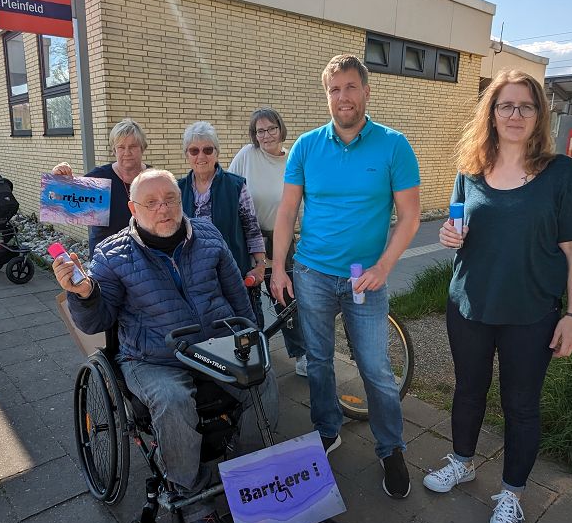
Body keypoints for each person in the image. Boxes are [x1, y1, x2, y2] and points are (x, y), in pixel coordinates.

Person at [54, 169, 278, 523]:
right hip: (154, 357)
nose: (163, 209)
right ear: (132, 209)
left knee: (263, 379)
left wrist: (252, 339)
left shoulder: (207, 234)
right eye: (151, 203)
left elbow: (236, 297)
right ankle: (194, 505)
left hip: (215, 345)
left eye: (170, 199)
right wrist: (84, 294)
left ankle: (255, 479)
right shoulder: (111, 254)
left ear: (181, 199)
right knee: (173, 400)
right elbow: (96, 321)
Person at [423, 69, 572, 523]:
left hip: (532, 313)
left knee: (521, 406)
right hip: (470, 306)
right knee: (468, 391)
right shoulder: (469, 170)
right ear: (491, 114)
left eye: (526, 106)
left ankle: (512, 493)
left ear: (539, 115)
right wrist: (449, 237)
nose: (515, 115)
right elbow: (457, 231)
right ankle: (462, 462)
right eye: (505, 106)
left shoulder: (560, 173)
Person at [270, 54, 421, 498]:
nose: (343, 97)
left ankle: (391, 448)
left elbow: (409, 217)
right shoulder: (306, 146)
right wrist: (279, 267)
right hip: (313, 272)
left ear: (366, 91)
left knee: (374, 367)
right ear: (327, 96)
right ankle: (326, 429)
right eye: (334, 90)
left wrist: (383, 267)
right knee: (318, 360)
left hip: (363, 278)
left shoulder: (394, 145)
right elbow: (287, 211)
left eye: (350, 87)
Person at [227, 108, 309, 377]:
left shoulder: (293, 160)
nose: (266, 135)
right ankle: (255, 353)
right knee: (249, 299)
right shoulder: (246, 156)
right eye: (260, 130)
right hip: (249, 240)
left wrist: (307, 237)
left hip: (281, 239)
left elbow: (303, 205)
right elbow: (229, 190)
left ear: (280, 129)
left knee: (286, 298)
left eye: (271, 128)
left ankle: (300, 354)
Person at [178, 121, 266, 298]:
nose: (201, 156)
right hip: (192, 279)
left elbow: (252, 230)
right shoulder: (177, 190)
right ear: (187, 155)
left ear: (216, 153)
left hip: (233, 274)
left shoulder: (236, 186)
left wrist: (260, 266)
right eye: (194, 150)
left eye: (208, 150)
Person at [52, 118, 150, 256]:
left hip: (146, 258)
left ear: (142, 148)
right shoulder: (99, 178)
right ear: (114, 150)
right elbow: (58, 201)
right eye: (121, 147)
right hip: (106, 259)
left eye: (133, 146)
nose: (127, 152)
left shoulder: (153, 178)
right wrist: (59, 181)